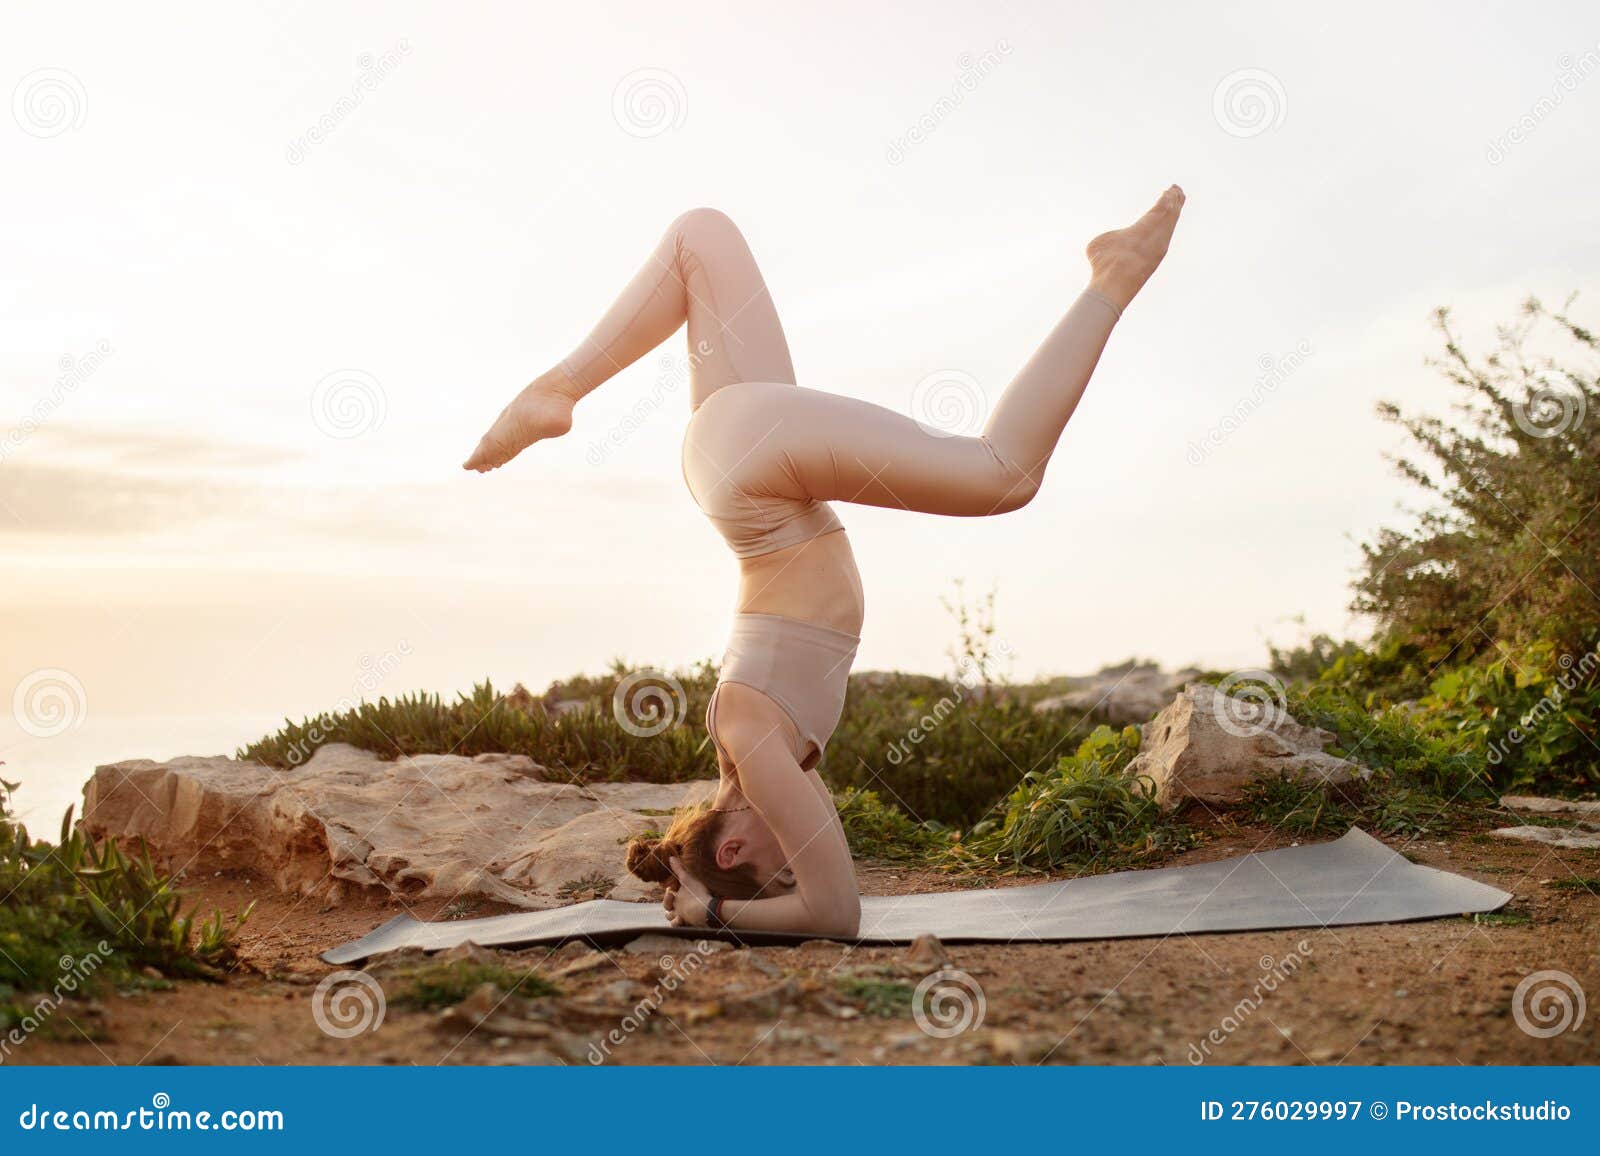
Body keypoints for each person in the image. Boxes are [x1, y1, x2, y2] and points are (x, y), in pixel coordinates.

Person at [464, 187, 1185, 936]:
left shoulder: (753, 748)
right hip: (738, 460)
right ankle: (561, 384)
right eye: (790, 876)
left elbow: (835, 913)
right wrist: (690, 878)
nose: (803, 856)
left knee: (1002, 473)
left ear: (736, 843)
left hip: (755, 479)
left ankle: (1113, 278)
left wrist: (713, 909)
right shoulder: (749, 754)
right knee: (701, 238)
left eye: (779, 870)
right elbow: (796, 878)